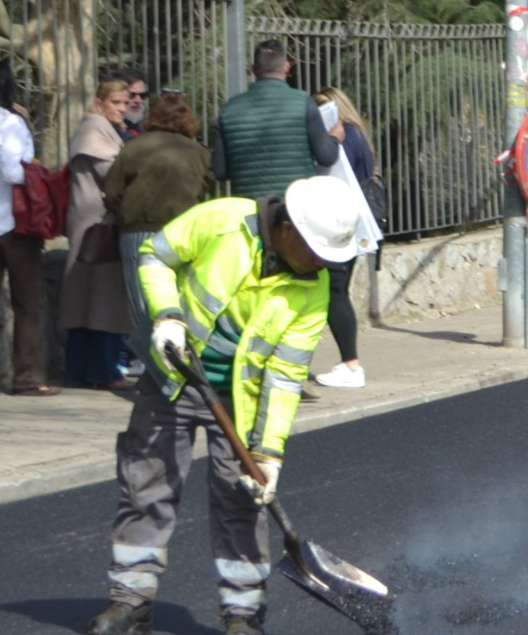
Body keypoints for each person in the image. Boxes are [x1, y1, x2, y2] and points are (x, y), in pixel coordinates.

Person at [86, 175, 359, 635]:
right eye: (315, 250)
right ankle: (130, 602)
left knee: (242, 503)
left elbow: (286, 376)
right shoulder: (222, 220)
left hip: (239, 403)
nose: (319, 263)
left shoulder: (311, 291)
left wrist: (269, 454)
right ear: (287, 227)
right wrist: (167, 316)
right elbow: (154, 254)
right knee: (146, 487)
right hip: (171, 375)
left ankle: (243, 616)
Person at [105, 92, 217, 376]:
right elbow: (207, 191)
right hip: (183, 235)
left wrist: (123, 212)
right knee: (177, 300)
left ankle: (150, 369)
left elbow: (111, 191)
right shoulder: (199, 152)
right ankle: (177, 366)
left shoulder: (133, 147)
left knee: (140, 305)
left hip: (137, 231)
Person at [64, 80, 135, 390]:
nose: (123, 108)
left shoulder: (101, 129)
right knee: (102, 300)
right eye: (116, 102)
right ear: (99, 102)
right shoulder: (95, 130)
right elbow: (113, 174)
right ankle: (103, 372)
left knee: (89, 301)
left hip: (94, 223)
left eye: (125, 102)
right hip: (97, 226)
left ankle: (82, 371)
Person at [211, 40, 341, 200]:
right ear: (287, 66)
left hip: (250, 207)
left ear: (253, 70)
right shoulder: (302, 102)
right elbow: (327, 156)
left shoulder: (228, 110)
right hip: (295, 207)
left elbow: (220, 171)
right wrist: (335, 137)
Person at [310, 87, 378, 389]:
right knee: (337, 290)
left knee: (334, 290)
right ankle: (349, 364)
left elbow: (332, 169)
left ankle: (351, 366)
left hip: (341, 222)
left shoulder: (344, 137)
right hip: (354, 221)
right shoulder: (357, 134)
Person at [0, 62, 57, 396]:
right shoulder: (10, 123)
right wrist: (35, 172)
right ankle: (27, 378)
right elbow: (12, 171)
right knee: (27, 304)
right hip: (13, 224)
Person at [108, 69, 149, 138]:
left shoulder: (144, 130)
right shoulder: (106, 130)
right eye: (131, 95)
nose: (138, 101)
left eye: (142, 95)